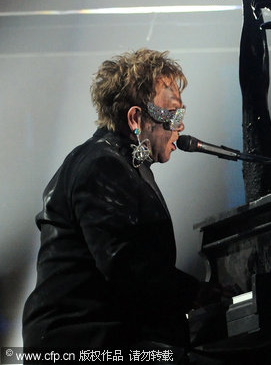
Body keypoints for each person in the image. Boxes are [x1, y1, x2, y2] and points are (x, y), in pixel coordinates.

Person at [22, 49, 219, 362]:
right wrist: (194, 293)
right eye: (174, 115)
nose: (180, 127)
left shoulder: (126, 163)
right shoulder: (101, 165)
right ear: (136, 119)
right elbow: (127, 266)